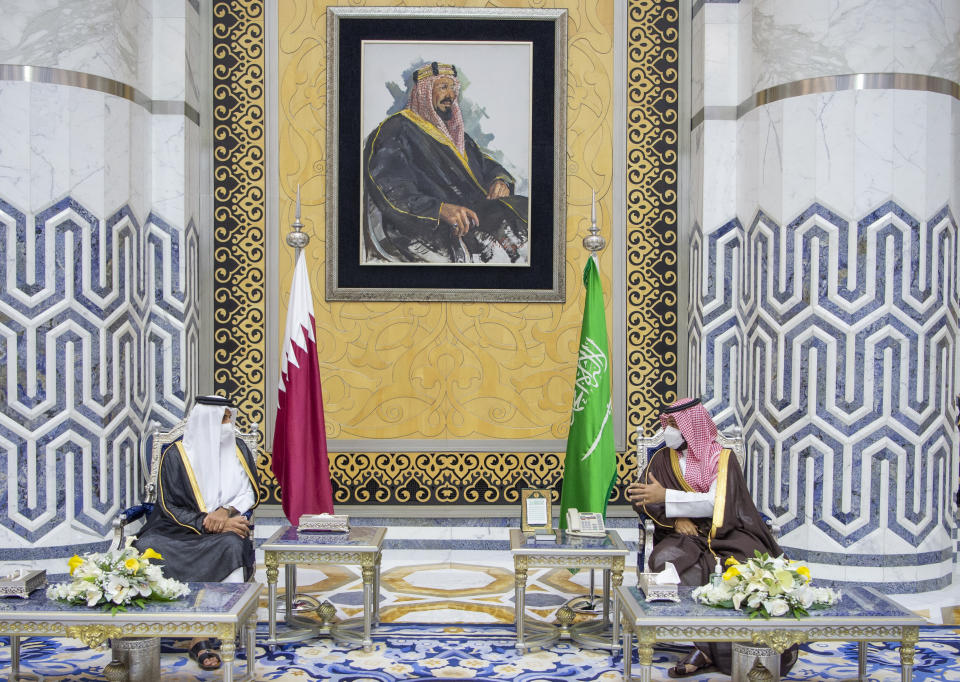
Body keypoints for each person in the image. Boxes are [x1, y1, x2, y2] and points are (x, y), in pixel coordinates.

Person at [626, 398, 796, 678]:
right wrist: (674, 517)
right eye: (665, 424)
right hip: (684, 535)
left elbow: (715, 502)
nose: (667, 430)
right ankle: (704, 647)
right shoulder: (661, 459)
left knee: (748, 569)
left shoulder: (721, 458)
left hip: (728, 531)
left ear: (691, 426)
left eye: (673, 425)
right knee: (666, 560)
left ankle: (732, 647)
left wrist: (667, 497)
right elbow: (640, 496)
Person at [134, 395, 261, 671]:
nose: (230, 424)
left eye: (230, 417)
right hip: (177, 530)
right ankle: (143, 629)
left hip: (220, 533)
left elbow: (248, 492)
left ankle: (205, 634)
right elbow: (169, 506)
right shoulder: (175, 455)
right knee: (148, 546)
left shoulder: (238, 448)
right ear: (208, 421)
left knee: (232, 545)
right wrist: (206, 521)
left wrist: (226, 513)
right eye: (224, 419)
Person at [363, 61, 529, 264]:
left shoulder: (457, 136)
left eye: (453, 88)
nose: (451, 95)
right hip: (428, 228)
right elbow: (392, 191)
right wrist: (439, 210)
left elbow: (485, 165)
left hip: (475, 216)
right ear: (423, 93)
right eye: (443, 87)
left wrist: (499, 180)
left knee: (525, 209)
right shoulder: (396, 130)